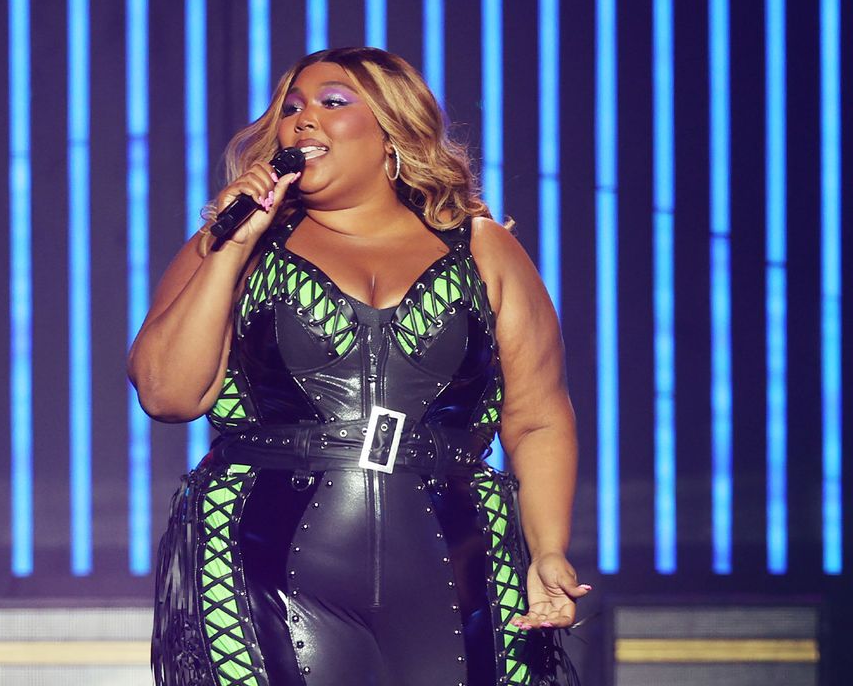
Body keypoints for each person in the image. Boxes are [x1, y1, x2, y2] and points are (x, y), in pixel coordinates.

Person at [128, 47, 586, 686]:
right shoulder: (234, 247)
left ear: (391, 132)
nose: (302, 120)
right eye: (291, 108)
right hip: (259, 562)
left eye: (332, 103)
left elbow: (537, 418)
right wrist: (230, 246)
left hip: (455, 561)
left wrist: (549, 550)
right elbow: (165, 394)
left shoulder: (484, 250)